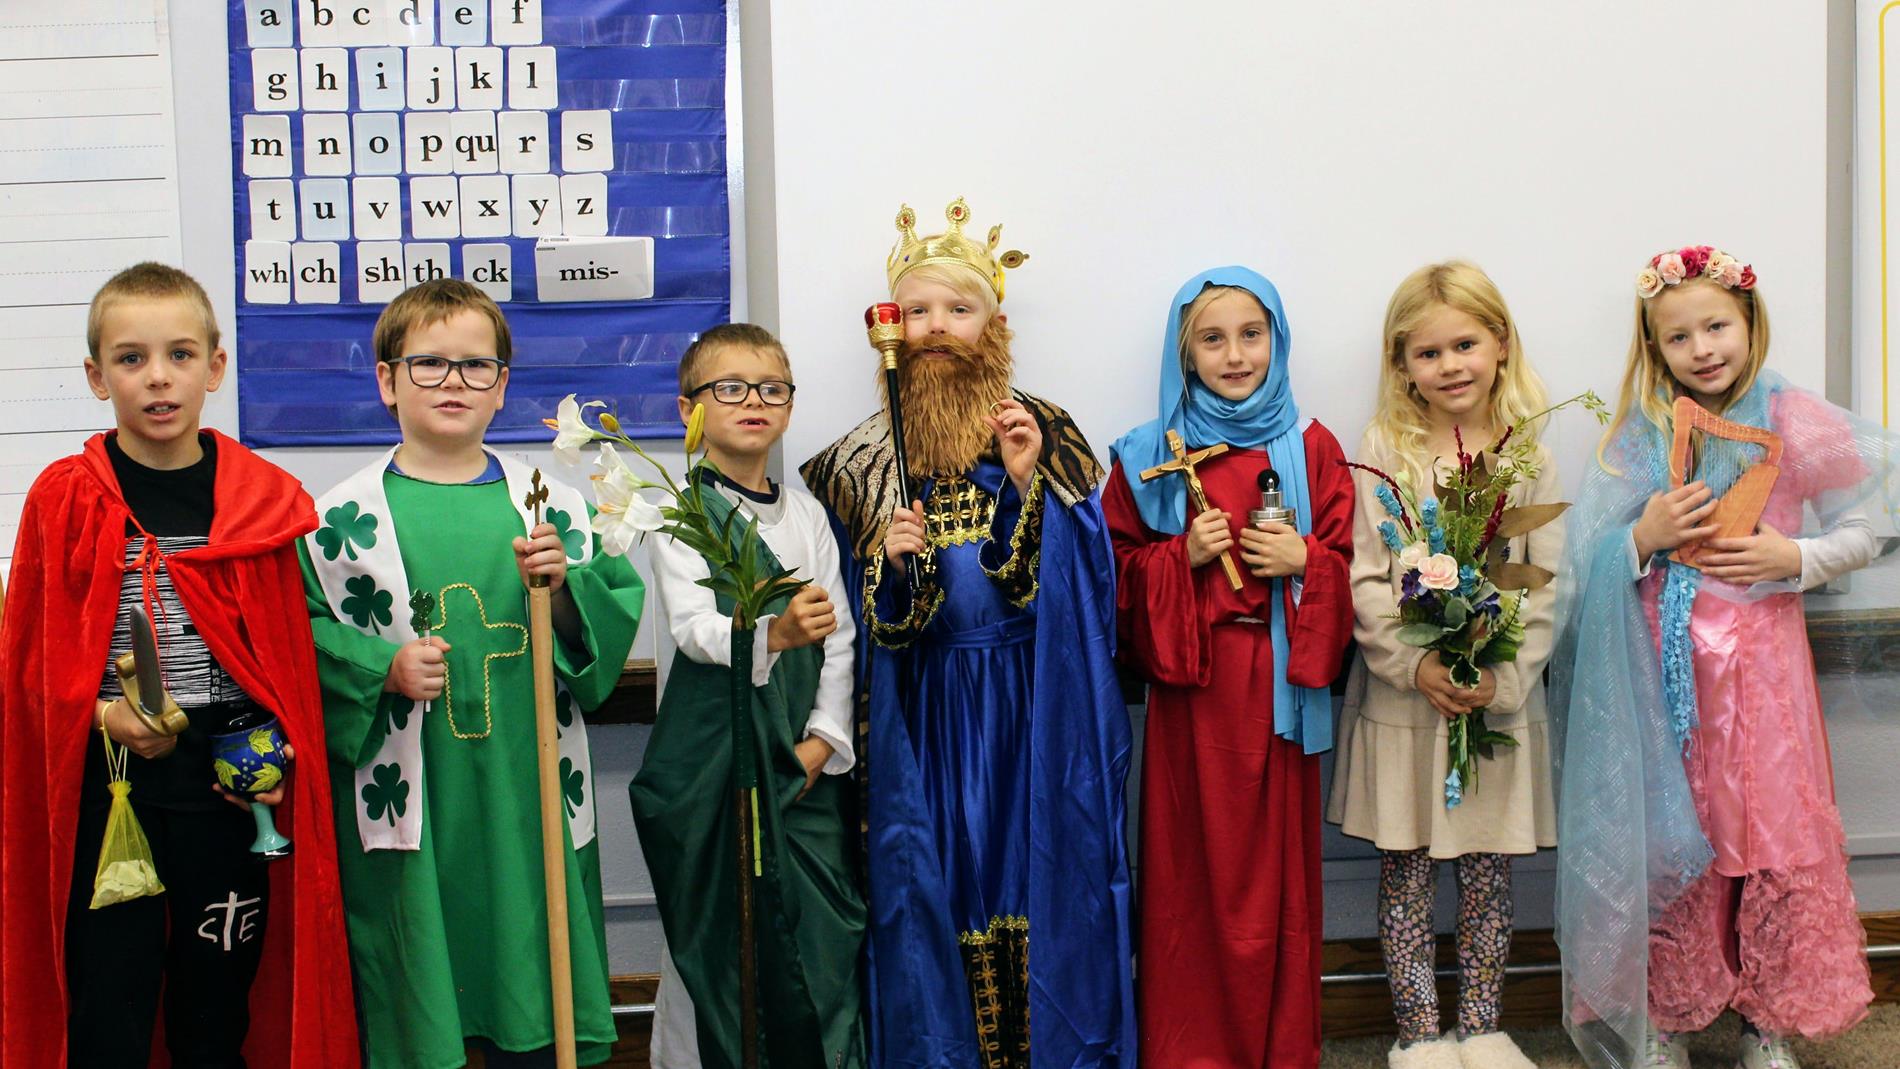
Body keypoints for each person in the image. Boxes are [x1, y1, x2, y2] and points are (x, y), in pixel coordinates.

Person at [800, 198, 1136, 1066]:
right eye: (917, 311)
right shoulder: (858, 463)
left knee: (1037, 878)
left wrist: (1027, 490)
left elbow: (1082, 587)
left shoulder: (1046, 431)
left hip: (1032, 707)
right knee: (938, 888)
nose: (937, 328)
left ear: (996, 323)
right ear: (891, 328)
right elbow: (867, 627)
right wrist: (898, 565)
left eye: (959, 309)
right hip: (926, 718)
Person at [0, 262, 357, 1067]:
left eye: (181, 355)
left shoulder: (261, 500)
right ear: (97, 376)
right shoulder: (64, 498)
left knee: (215, 999)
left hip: (226, 791)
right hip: (109, 786)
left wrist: (276, 754)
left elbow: (282, 666)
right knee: (111, 998)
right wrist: (103, 715)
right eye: (131, 358)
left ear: (215, 367)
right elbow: (28, 666)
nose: (158, 377)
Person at [299, 278, 644, 1067]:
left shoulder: (551, 504)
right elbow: (303, 633)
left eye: (475, 367)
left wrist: (562, 593)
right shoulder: (336, 522)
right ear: (386, 381)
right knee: (422, 985)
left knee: (532, 965)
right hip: (416, 794)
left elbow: (602, 635)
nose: (453, 382)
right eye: (428, 364)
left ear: (503, 388)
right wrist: (381, 664)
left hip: (525, 785)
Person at [1552, 246, 1880, 1069]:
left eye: (1717, 326)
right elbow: (1585, 556)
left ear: (1750, 324)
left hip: (1766, 681)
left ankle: (1763, 1023)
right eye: (1678, 337)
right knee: (1674, 836)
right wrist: (1642, 536)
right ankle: (1661, 1016)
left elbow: (1870, 525)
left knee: (1763, 833)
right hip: (1664, 682)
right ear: (1654, 349)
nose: (1702, 348)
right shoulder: (1640, 434)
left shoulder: (1796, 418)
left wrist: (1796, 558)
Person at [1105, 266, 1355, 1069]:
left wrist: (1305, 559)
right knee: (1191, 877)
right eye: (1212, 338)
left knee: (1275, 882)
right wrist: (1182, 557)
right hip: (1197, 696)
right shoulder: (1152, 454)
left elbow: (1351, 564)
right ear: (1185, 353)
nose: (1235, 354)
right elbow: (1113, 577)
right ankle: (1191, 1048)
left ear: (1277, 341)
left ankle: (1278, 1044)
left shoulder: (1314, 446)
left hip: (1279, 691)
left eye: (1251, 335)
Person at [1327, 262, 1560, 1069]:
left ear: (1500, 343)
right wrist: (1410, 664)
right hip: (1407, 705)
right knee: (1408, 869)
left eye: (1466, 343)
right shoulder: (1384, 448)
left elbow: (1548, 578)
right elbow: (1364, 571)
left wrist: (1505, 674)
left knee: (1490, 872)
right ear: (1402, 366)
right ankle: (1420, 1035)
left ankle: (1485, 1027)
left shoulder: (1527, 450)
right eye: (1429, 352)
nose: (1451, 363)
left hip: (1492, 704)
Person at [631, 323, 867, 1068]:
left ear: (790, 406)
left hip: (802, 769)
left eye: (771, 388)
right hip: (724, 767)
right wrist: (772, 631)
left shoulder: (804, 515)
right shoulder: (680, 513)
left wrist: (823, 741)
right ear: (689, 409)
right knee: (728, 952)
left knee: (822, 944)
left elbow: (841, 636)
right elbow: (698, 629)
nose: (753, 402)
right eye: (728, 388)